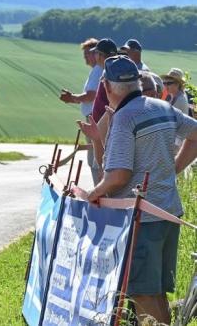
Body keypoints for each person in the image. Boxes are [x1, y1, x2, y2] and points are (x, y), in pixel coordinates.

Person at [80, 55, 197, 325]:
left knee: (142, 294)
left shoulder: (124, 118)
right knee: (155, 293)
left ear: (106, 87)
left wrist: (94, 192)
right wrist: (173, 169)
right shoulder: (162, 107)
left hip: (142, 218)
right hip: (168, 213)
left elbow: (119, 176)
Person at [60, 38, 103, 183]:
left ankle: (99, 189)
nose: (85, 57)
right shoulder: (96, 70)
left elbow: (91, 95)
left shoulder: (98, 70)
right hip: (94, 117)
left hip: (94, 118)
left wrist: (72, 98)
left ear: (97, 54)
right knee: (94, 155)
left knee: (94, 157)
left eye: (88, 53)